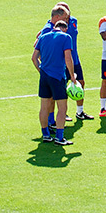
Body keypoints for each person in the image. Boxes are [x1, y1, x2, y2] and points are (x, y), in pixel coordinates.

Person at [31, 17, 75, 145]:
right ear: (65, 28)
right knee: (62, 108)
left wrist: (42, 71)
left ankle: (45, 134)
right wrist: (72, 75)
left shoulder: (43, 37)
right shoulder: (66, 38)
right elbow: (68, 58)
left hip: (44, 76)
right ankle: (59, 138)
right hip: (58, 77)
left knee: (44, 106)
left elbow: (34, 58)